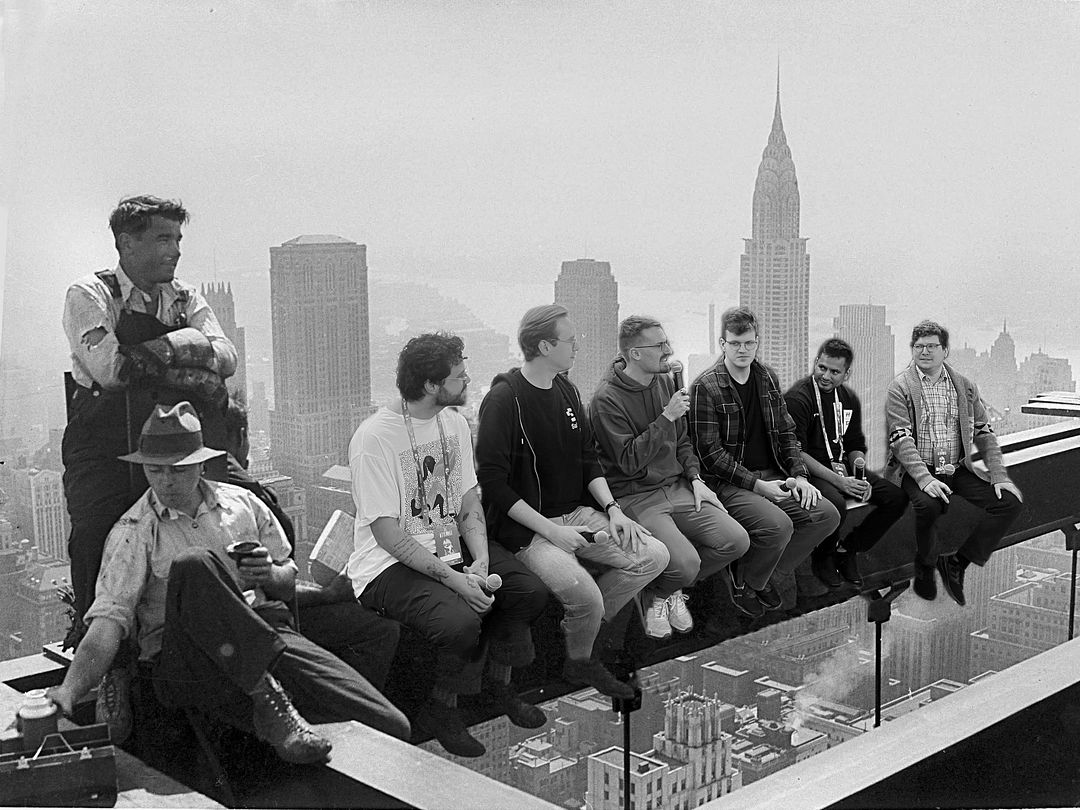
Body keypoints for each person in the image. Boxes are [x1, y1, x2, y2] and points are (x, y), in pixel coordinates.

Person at [47, 402, 410, 767]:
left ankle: (285, 720)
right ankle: (269, 702)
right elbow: (108, 624)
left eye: (178, 469)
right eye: (155, 470)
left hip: (265, 637)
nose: (166, 482)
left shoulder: (242, 505)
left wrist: (269, 573)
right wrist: (69, 690)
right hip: (189, 662)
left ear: (201, 464)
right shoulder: (136, 531)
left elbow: (287, 578)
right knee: (193, 565)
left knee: (391, 725)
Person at [348, 333, 551, 758]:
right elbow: (388, 534)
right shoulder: (374, 440)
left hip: (452, 544)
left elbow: (467, 500)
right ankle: (442, 706)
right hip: (385, 565)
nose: (468, 380)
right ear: (430, 386)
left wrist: (478, 558)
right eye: (459, 376)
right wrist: (459, 583)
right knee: (462, 619)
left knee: (526, 590)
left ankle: (499, 685)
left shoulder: (454, 423)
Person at [476, 305, 670, 699]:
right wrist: (553, 532)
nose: (577, 347)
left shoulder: (566, 389)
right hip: (529, 530)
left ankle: (585, 624)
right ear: (545, 345)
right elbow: (493, 484)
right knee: (586, 597)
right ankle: (580, 658)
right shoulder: (503, 399)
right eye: (569, 340)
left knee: (655, 555)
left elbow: (587, 458)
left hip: (578, 512)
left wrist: (613, 510)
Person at [62, 196, 236, 628]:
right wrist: (187, 352)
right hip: (105, 442)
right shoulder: (91, 294)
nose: (175, 250)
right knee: (94, 535)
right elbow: (113, 370)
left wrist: (160, 353)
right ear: (127, 242)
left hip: (179, 439)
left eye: (177, 238)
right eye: (163, 238)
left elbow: (227, 357)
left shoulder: (183, 298)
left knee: (257, 505)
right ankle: (102, 652)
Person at [222, 394, 400, 692]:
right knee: (381, 629)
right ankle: (352, 713)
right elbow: (272, 589)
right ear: (242, 437)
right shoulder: (241, 492)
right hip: (266, 625)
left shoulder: (222, 487)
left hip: (255, 621)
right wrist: (328, 594)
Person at [590, 316, 750, 637]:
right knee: (687, 564)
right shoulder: (606, 400)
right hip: (635, 495)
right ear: (635, 353)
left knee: (736, 541)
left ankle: (663, 591)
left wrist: (695, 479)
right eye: (660, 345)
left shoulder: (665, 382)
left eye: (667, 342)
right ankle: (663, 591)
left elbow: (682, 440)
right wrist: (666, 416)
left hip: (676, 487)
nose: (669, 350)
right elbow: (628, 463)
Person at [690, 306, 841, 613]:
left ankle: (757, 574)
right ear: (723, 344)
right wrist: (759, 486)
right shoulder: (706, 387)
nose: (743, 350)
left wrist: (800, 475)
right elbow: (711, 456)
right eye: (735, 343)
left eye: (749, 343)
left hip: (774, 475)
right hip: (731, 484)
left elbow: (786, 433)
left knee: (827, 515)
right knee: (779, 526)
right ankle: (749, 584)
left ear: (757, 342)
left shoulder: (766, 378)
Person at [885, 320, 1023, 605]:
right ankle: (924, 568)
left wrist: (998, 475)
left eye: (932, 346)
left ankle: (958, 563)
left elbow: (984, 432)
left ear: (945, 351)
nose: (925, 352)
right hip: (917, 471)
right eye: (919, 346)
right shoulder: (900, 387)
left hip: (957, 469)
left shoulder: (964, 387)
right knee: (928, 506)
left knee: (1009, 503)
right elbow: (901, 439)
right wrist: (925, 479)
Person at [784, 338, 909, 588]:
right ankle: (824, 557)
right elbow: (797, 453)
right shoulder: (799, 398)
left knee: (896, 499)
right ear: (816, 363)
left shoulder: (848, 398)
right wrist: (841, 481)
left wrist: (860, 476)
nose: (825, 376)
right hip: (811, 470)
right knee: (837, 503)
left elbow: (853, 445)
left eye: (834, 371)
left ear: (846, 374)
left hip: (842, 466)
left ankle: (848, 549)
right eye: (822, 368)